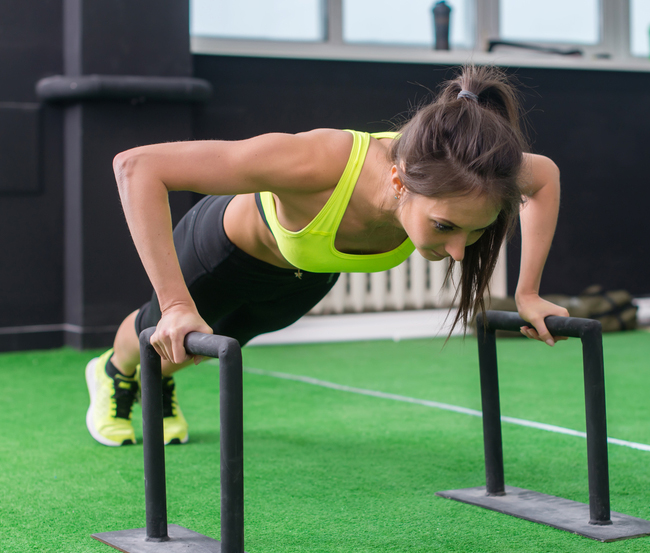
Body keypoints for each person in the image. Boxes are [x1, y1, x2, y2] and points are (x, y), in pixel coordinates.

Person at [85, 65, 569, 447]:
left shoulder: (478, 174)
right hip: (224, 253)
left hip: (305, 278)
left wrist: (527, 293)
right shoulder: (318, 161)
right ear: (399, 181)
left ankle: (159, 381)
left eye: (476, 230)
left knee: (200, 351)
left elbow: (544, 177)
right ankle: (112, 372)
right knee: (158, 332)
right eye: (444, 226)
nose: (459, 252)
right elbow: (137, 166)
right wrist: (174, 304)